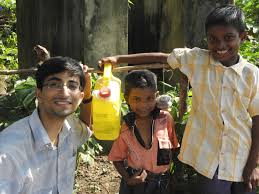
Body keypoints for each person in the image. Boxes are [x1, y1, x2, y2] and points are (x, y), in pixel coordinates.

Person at [99, 5, 259, 194]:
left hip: (243, 156)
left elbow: (257, 118)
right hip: (209, 160)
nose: (220, 45)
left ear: (242, 36)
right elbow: (161, 58)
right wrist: (118, 58)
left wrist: (254, 164)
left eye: (229, 38)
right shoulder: (198, 60)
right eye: (213, 39)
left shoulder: (252, 75)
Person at [0, 56, 93, 194]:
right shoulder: (8, 153)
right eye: (54, 84)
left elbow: (86, 127)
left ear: (80, 97)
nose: (64, 92)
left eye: (72, 85)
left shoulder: (70, 129)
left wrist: (88, 96)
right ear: (39, 94)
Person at [108, 70, 179, 194]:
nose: (143, 105)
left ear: (156, 96)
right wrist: (128, 178)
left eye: (149, 98)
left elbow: (173, 147)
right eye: (137, 99)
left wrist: (170, 175)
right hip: (137, 184)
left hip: (163, 182)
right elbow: (116, 158)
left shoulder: (166, 119)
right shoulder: (125, 128)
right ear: (126, 98)